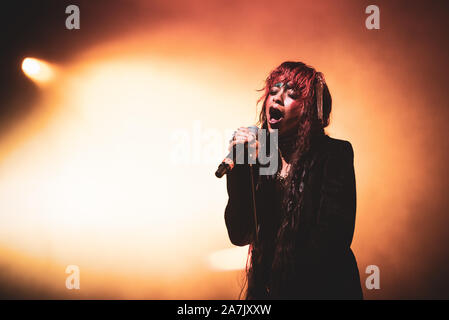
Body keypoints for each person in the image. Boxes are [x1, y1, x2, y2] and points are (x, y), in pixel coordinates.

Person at [224, 61, 363, 299]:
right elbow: (239, 234)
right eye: (273, 91)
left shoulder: (334, 155)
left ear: (310, 110)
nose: (277, 99)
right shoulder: (260, 159)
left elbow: (333, 240)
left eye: (291, 95)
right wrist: (239, 169)